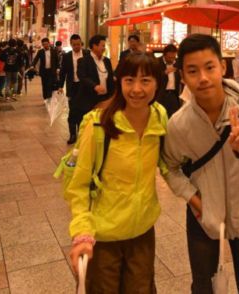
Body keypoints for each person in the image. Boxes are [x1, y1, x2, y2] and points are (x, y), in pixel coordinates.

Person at [162, 34, 239, 294]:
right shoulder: (179, 125)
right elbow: (168, 166)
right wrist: (193, 198)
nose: (202, 78)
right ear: (182, 76)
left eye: (209, 67)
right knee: (203, 287)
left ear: (223, 67)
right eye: (192, 70)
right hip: (203, 219)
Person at [66, 53, 167, 293]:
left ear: (158, 84)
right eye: (129, 80)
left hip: (142, 233)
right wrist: (82, 232)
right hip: (103, 238)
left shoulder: (159, 118)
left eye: (146, 81)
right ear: (118, 82)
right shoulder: (99, 125)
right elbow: (78, 185)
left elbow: (170, 163)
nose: (136, 89)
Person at [71, 34, 115, 145]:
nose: (104, 48)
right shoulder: (84, 61)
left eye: (104, 46)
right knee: (88, 126)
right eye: (102, 45)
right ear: (94, 46)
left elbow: (110, 77)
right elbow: (82, 76)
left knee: (103, 124)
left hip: (104, 99)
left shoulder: (107, 61)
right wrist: (94, 86)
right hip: (88, 100)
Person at [60, 34, 85, 141]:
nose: (76, 47)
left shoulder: (87, 54)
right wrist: (60, 86)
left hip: (84, 87)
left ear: (81, 44)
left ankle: (82, 133)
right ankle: (72, 134)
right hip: (72, 87)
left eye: (78, 44)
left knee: (83, 110)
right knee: (72, 110)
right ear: (71, 44)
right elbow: (63, 72)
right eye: (74, 45)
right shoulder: (66, 56)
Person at [157, 43, 182, 117]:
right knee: (161, 116)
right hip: (161, 95)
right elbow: (153, 77)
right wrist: (165, 73)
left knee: (174, 116)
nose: (172, 59)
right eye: (169, 57)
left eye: (173, 57)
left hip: (174, 95)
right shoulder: (157, 62)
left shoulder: (177, 63)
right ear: (164, 55)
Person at [32, 38, 60, 102]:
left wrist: (58, 68)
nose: (45, 46)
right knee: (44, 85)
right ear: (42, 45)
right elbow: (36, 59)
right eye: (44, 44)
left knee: (50, 84)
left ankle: (49, 97)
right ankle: (45, 98)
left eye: (46, 44)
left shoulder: (54, 51)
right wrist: (32, 65)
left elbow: (57, 61)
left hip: (52, 71)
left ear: (49, 43)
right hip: (44, 72)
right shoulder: (40, 51)